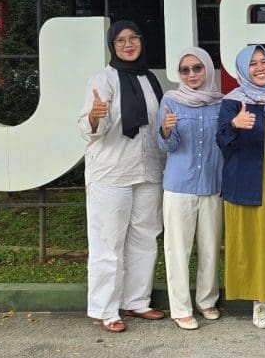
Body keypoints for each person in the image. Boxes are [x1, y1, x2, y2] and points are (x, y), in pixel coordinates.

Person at [78, 21, 166, 333]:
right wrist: (94, 116)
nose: (128, 45)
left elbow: (156, 126)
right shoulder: (103, 79)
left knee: (145, 237)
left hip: (148, 170)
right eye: (120, 41)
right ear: (112, 46)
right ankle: (106, 309)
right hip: (111, 172)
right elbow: (89, 128)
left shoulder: (150, 79)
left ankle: (136, 301)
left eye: (133, 38)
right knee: (108, 242)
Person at [217, 45, 265, 330]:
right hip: (247, 180)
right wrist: (234, 124)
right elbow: (221, 141)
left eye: (264, 61)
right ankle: (259, 301)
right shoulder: (233, 101)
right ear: (242, 70)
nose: (261, 68)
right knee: (253, 239)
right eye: (253, 64)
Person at [157, 46, 224, 330]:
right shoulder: (171, 101)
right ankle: (181, 308)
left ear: (207, 68)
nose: (192, 74)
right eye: (185, 70)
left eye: (197, 68)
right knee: (177, 249)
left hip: (212, 182)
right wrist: (166, 130)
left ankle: (207, 300)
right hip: (179, 185)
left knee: (210, 247)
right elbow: (166, 146)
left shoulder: (221, 103)